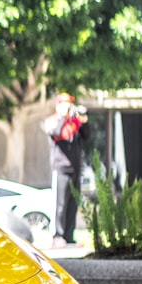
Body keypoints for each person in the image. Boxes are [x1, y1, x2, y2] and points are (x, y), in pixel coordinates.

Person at [44, 91, 90, 247]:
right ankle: (58, 236)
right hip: (60, 169)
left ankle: (69, 236)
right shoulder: (52, 121)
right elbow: (56, 133)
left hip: (75, 169)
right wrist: (64, 117)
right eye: (64, 103)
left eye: (69, 103)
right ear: (58, 105)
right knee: (60, 204)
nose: (68, 106)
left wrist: (83, 121)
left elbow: (87, 135)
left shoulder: (74, 123)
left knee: (72, 204)